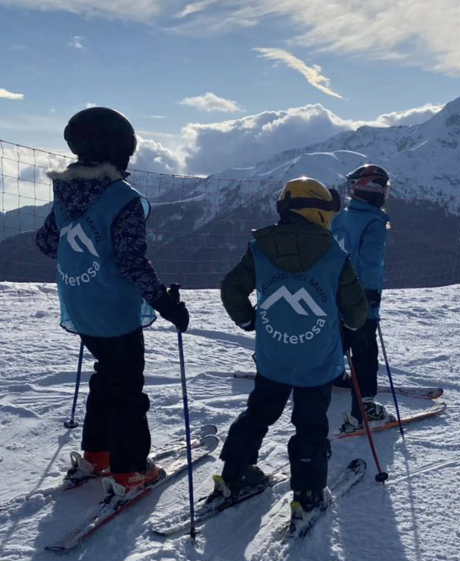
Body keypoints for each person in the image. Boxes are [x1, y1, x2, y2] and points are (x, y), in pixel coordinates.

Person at [35, 107, 189, 497]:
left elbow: (47, 241)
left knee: (106, 378)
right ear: (121, 150)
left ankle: (98, 455)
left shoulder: (65, 190)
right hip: (114, 311)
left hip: (78, 304)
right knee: (127, 391)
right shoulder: (124, 199)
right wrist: (165, 303)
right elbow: (131, 262)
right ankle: (130, 470)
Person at [217, 176, 367, 517]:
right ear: (320, 212)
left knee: (258, 414)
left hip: (273, 358)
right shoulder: (334, 255)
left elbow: (231, 289)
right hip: (318, 360)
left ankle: (233, 474)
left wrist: (248, 321)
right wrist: (350, 327)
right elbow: (356, 310)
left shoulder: (259, 248)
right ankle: (308, 493)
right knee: (310, 425)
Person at [329, 164, 393, 433]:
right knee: (365, 351)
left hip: (334, 291)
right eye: (385, 188)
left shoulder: (342, 216)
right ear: (375, 189)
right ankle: (364, 408)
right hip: (360, 296)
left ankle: (326, 377)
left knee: (337, 339)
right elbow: (370, 262)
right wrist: (370, 297)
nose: (387, 193)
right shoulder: (375, 221)